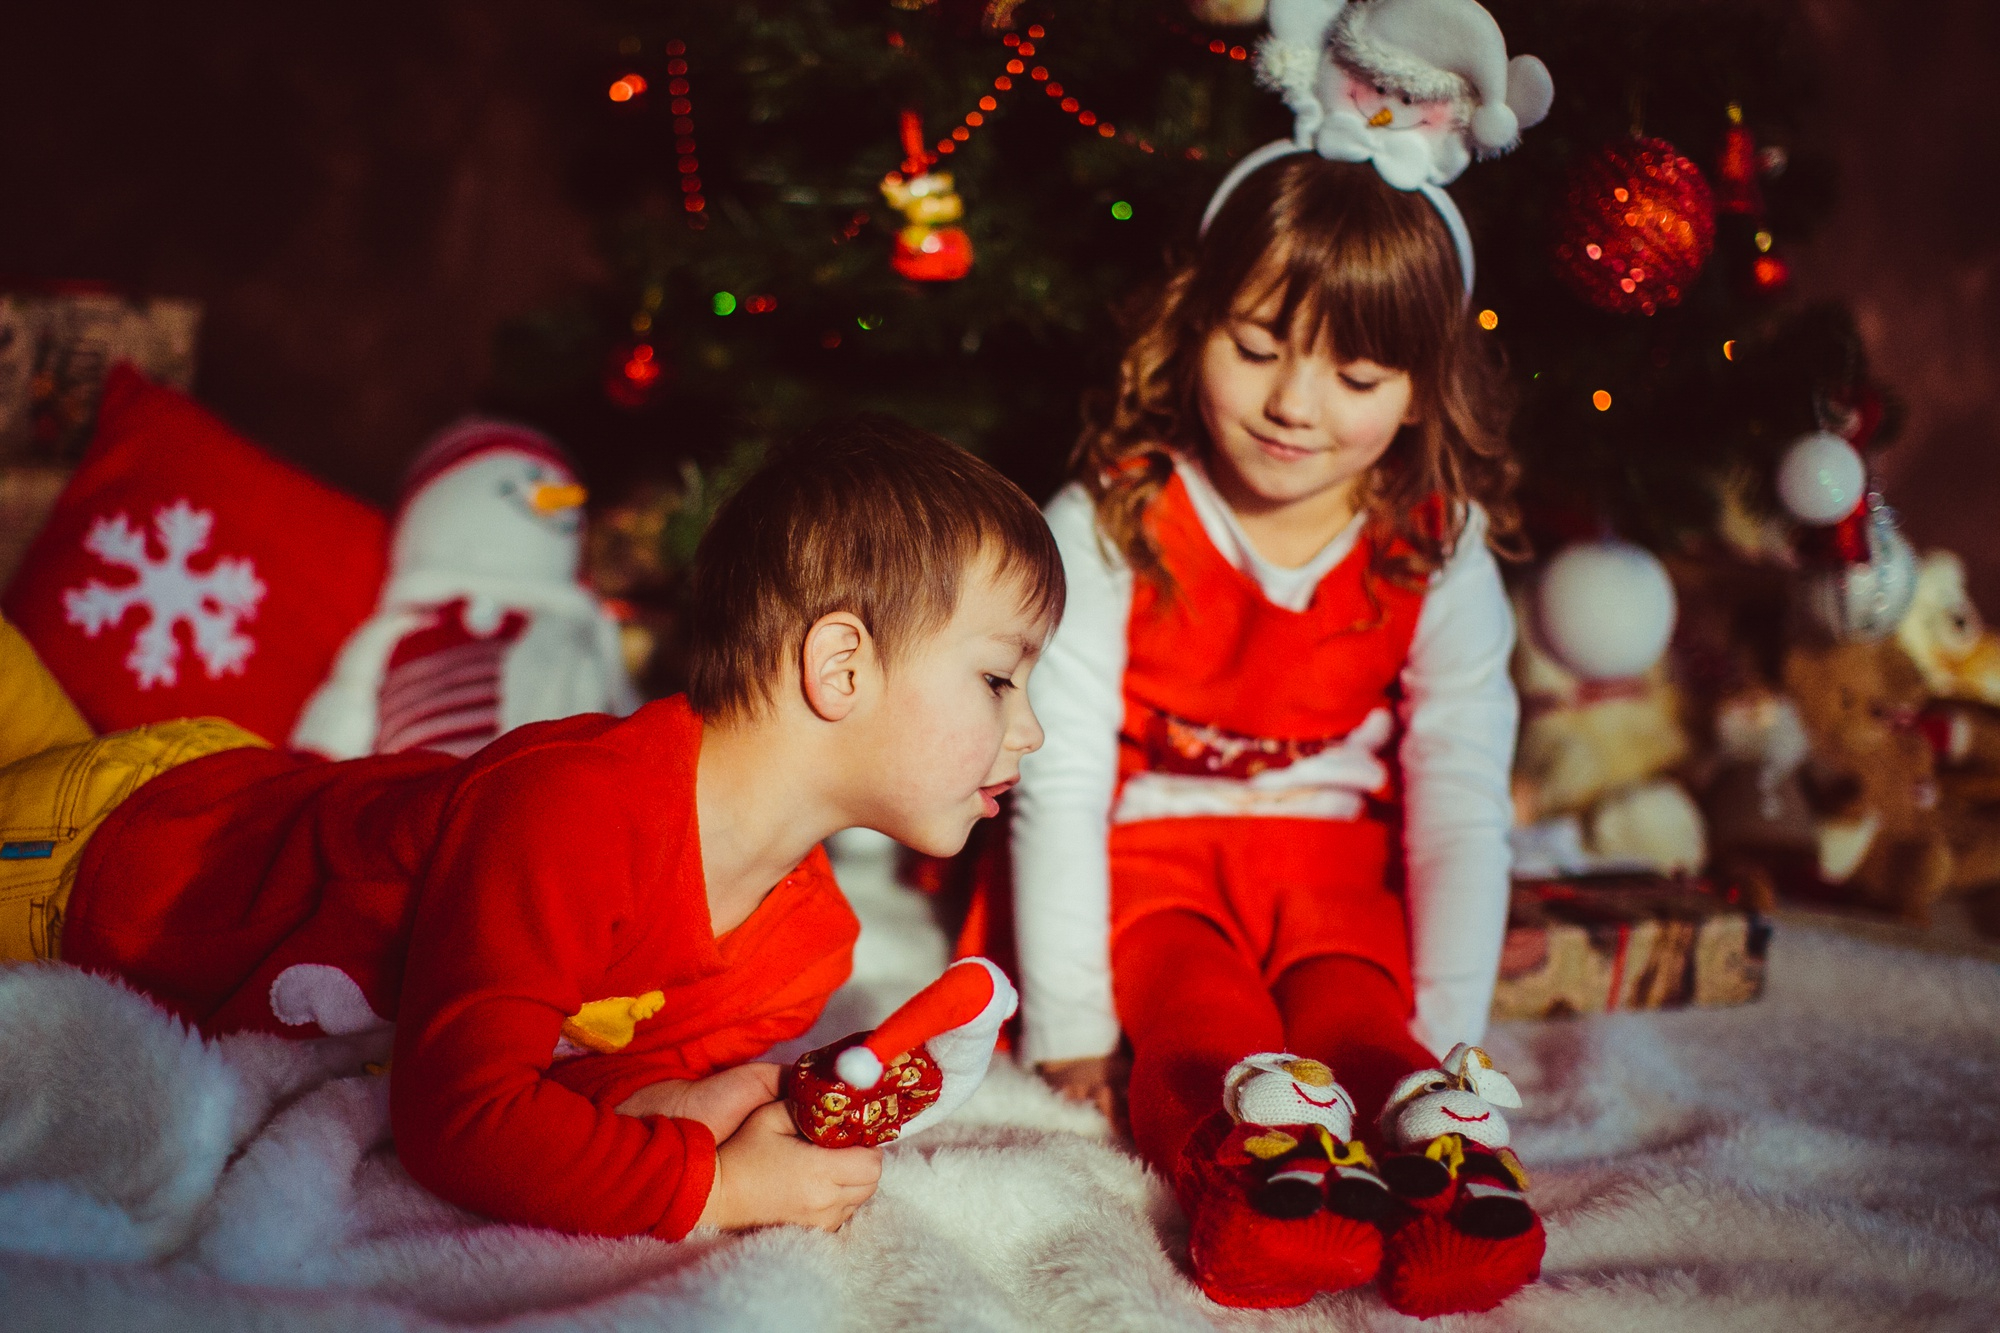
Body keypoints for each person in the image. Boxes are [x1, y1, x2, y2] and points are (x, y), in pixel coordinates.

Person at [0, 415, 1060, 1242]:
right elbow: (459, 1118)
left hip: (212, 782)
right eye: (998, 677)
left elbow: (567, 1076)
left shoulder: (807, 946)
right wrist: (713, 1187)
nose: (1032, 729)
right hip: (97, 858)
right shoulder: (578, 810)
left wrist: (693, 1102)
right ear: (841, 667)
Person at [1008, 1, 1553, 1314]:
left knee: (1357, 1022)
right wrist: (1072, 1022)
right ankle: (1258, 1187)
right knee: (1203, 1030)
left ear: (1423, 387)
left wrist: (1446, 1042)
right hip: (1160, 861)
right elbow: (1061, 779)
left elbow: (1461, 804)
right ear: (1194, 321)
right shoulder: (1113, 517)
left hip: (1331, 868)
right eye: (1256, 348)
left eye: (1358, 376)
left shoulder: (1436, 545)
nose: (1295, 407)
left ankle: (1447, 1182)